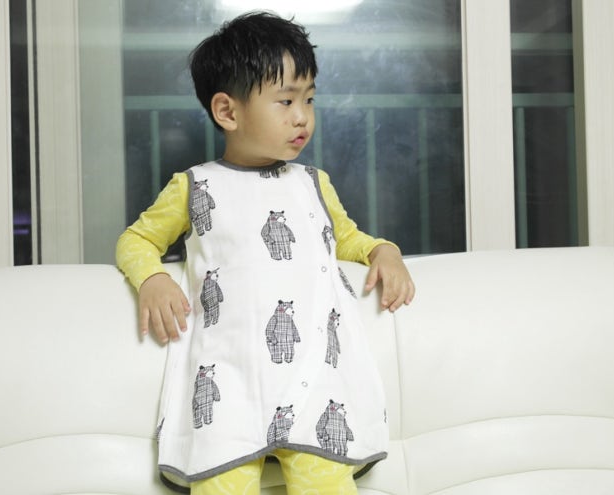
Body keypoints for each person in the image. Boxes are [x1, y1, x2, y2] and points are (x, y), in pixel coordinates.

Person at [116, 11, 415, 495]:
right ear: (228, 112)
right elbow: (136, 240)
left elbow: (346, 239)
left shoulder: (313, 184)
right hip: (228, 386)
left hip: (314, 380)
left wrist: (385, 251)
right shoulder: (194, 187)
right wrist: (153, 279)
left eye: (309, 99)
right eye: (286, 100)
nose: (302, 116)